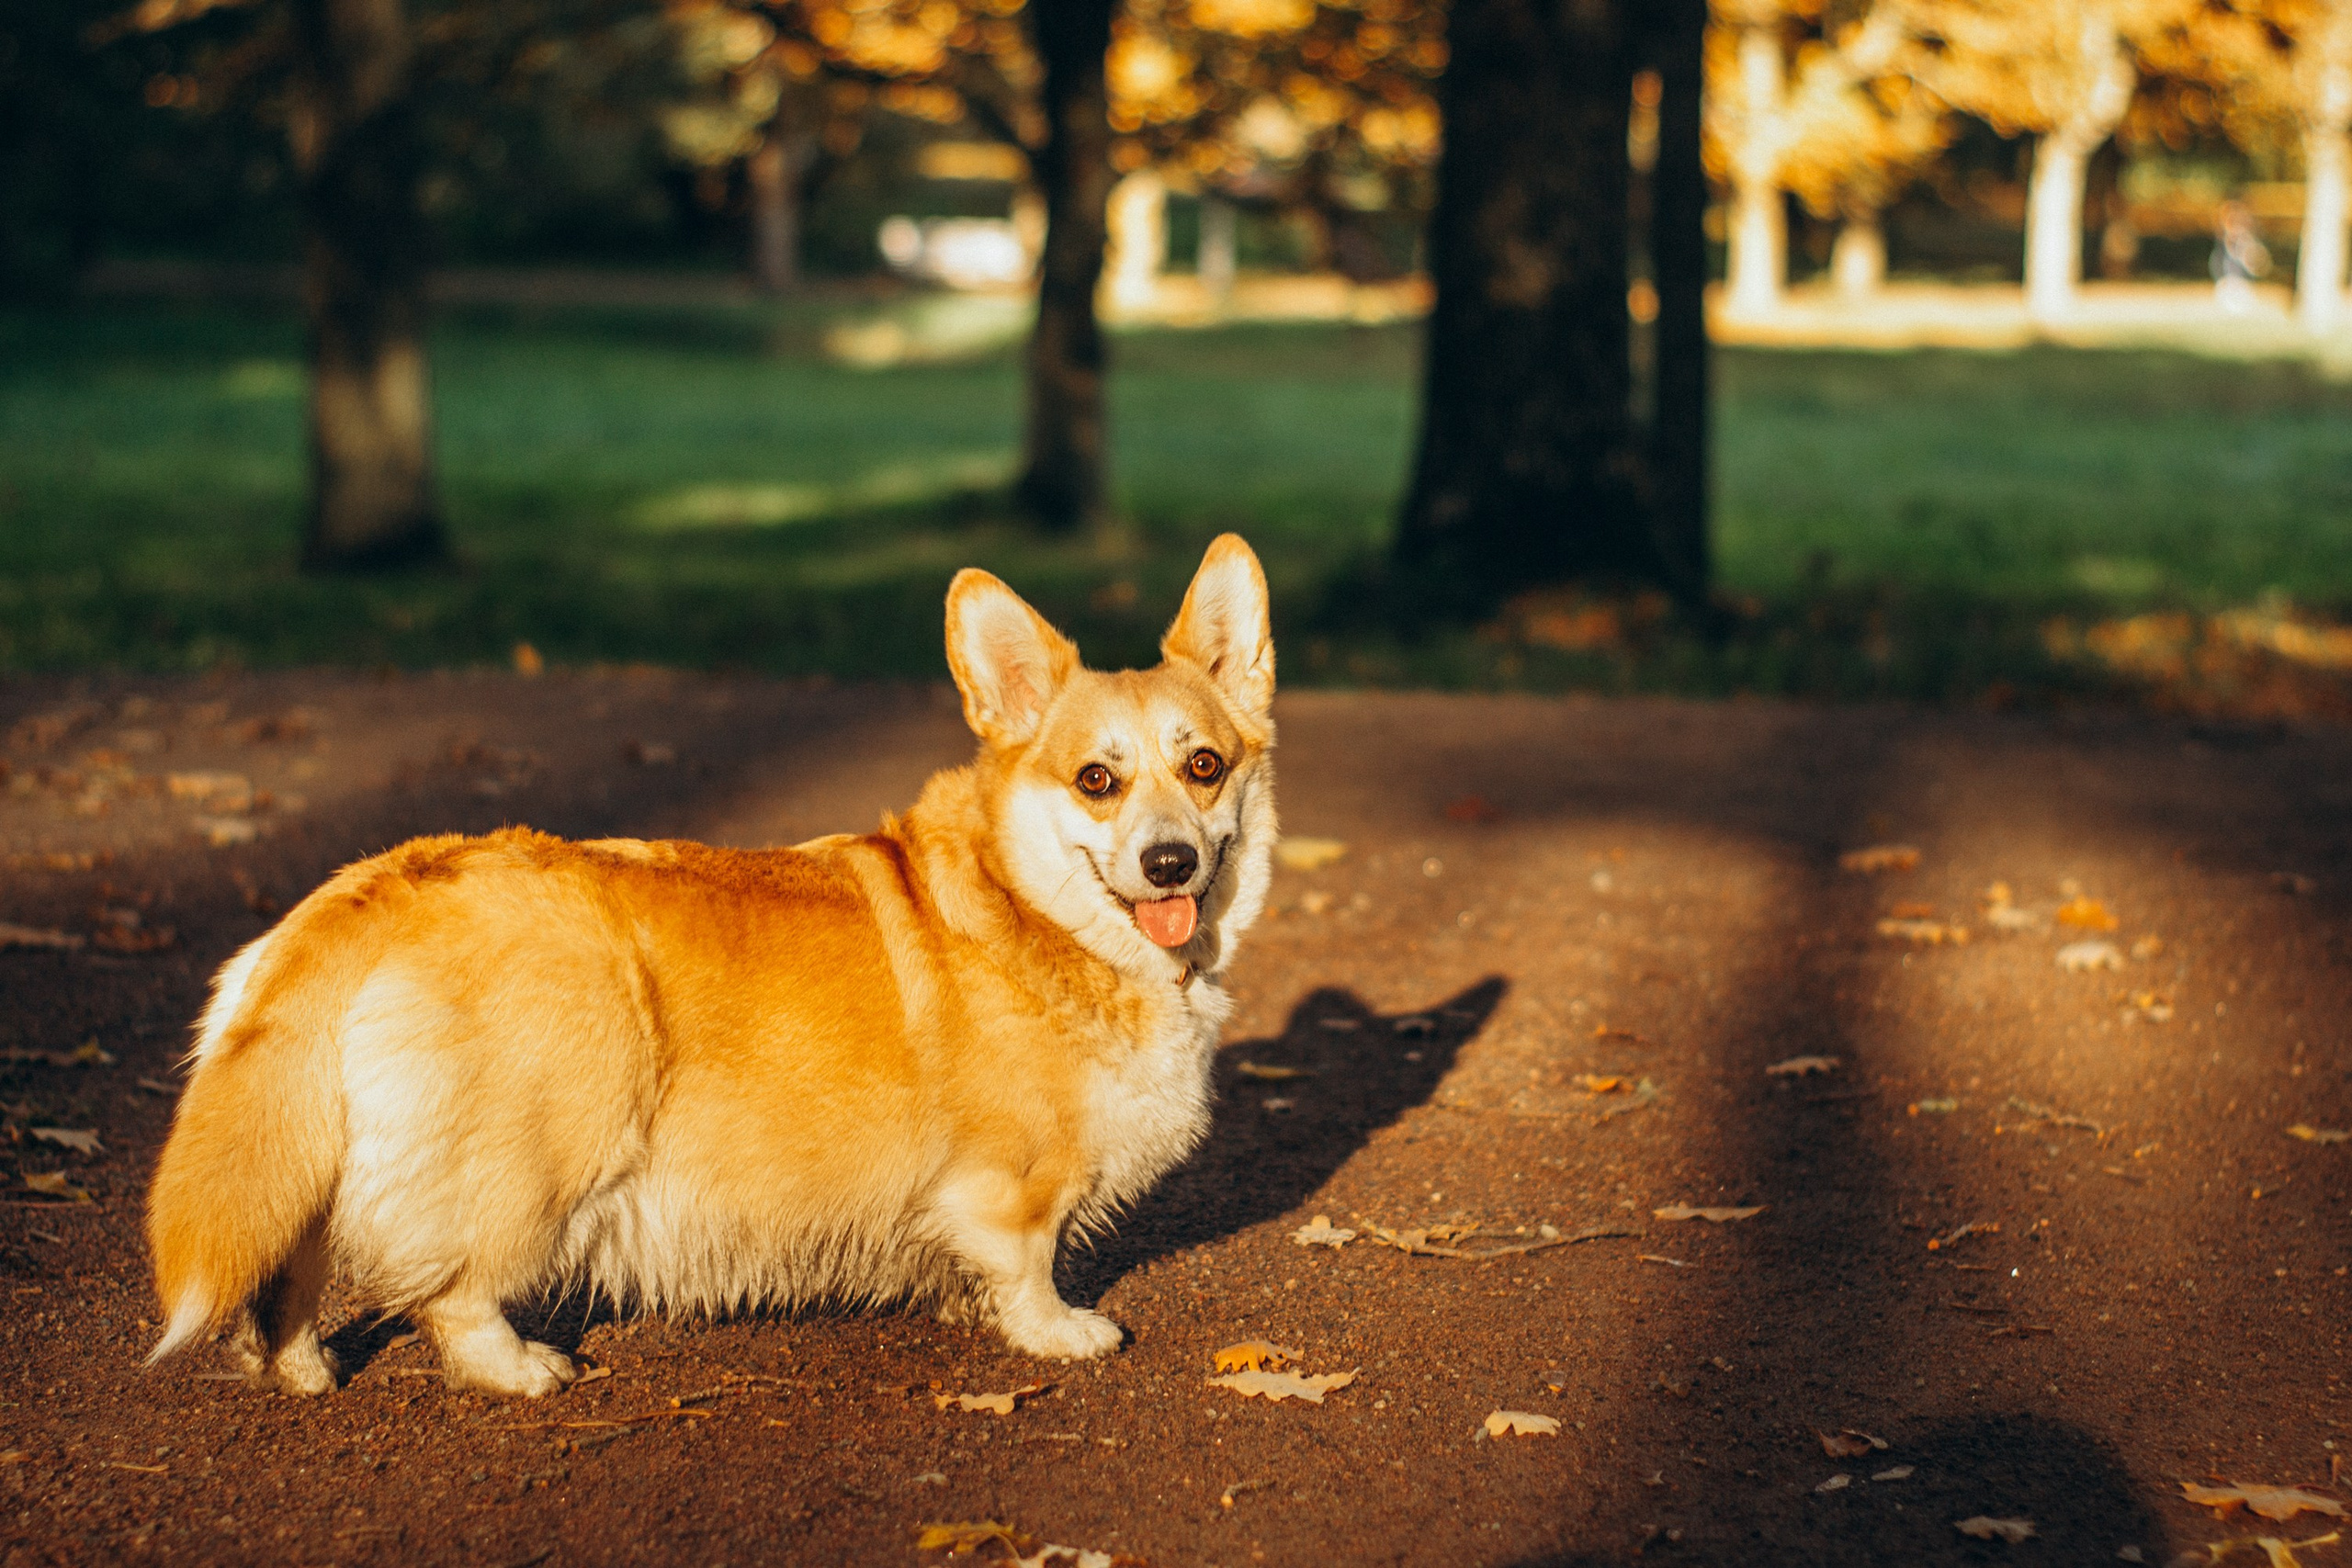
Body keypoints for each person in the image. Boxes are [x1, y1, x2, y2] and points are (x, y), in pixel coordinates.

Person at [2211, 199, 2271, 314]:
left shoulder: (2248, 242)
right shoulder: (2224, 244)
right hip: (2228, 284)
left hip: (2242, 285)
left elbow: (2254, 268)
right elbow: (2219, 266)